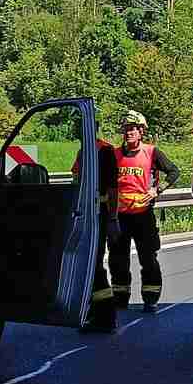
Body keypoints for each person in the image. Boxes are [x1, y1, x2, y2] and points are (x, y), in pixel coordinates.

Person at [109, 110, 181, 314]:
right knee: (117, 260)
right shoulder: (114, 154)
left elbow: (174, 172)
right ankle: (120, 298)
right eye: (126, 129)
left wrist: (157, 190)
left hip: (143, 216)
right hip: (119, 217)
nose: (128, 132)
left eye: (132, 129)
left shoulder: (152, 152)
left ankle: (150, 299)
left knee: (148, 259)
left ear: (141, 132)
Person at [76, 137, 121, 332]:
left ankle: (105, 316)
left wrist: (113, 218)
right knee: (89, 264)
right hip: (86, 212)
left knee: (94, 264)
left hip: (98, 213)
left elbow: (112, 188)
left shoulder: (105, 151)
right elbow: (77, 180)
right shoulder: (84, 150)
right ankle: (96, 312)